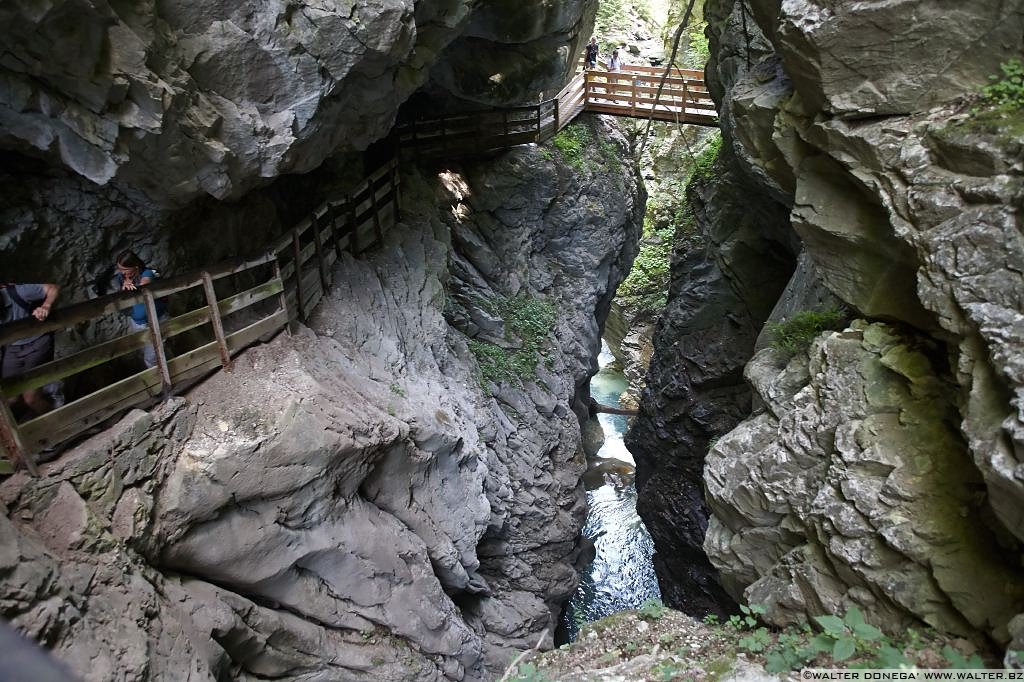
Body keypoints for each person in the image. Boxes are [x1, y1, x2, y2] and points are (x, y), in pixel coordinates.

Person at [1, 279, 61, 418]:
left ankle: (59, 425)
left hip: (37, 343)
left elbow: (53, 288)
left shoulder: (17, 292)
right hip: (13, 348)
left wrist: (46, 306)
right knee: (9, 399)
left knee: (31, 398)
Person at [114, 250, 168, 368]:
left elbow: (145, 284)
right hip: (138, 323)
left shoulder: (148, 272)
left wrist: (130, 285)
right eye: (119, 269)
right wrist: (124, 287)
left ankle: (161, 382)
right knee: (151, 351)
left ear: (136, 267)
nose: (121, 272)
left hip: (155, 321)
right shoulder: (121, 277)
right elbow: (119, 298)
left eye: (124, 269)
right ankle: (173, 371)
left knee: (151, 357)